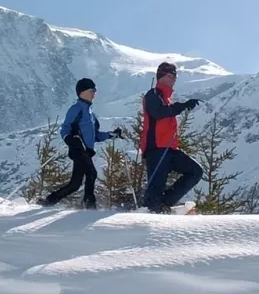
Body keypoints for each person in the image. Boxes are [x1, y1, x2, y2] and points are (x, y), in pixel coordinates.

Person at [42, 77, 125, 208]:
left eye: (95, 90)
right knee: (92, 173)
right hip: (78, 149)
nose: (94, 93)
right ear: (82, 92)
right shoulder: (76, 109)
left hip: (86, 151)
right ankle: (89, 206)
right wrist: (70, 139)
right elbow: (65, 128)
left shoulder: (91, 114)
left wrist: (111, 135)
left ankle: (49, 201)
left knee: (75, 184)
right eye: (92, 90)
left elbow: (96, 136)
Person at [139, 61, 203, 212]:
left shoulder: (167, 98)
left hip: (170, 149)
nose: (174, 78)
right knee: (155, 189)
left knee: (195, 171)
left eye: (175, 75)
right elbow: (158, 112)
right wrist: (182, 106)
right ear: (161, 76)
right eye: (171, 74)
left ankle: (164, 204)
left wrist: (181, 106)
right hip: (156, 149)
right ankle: (149, 211)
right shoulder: (153, 94)